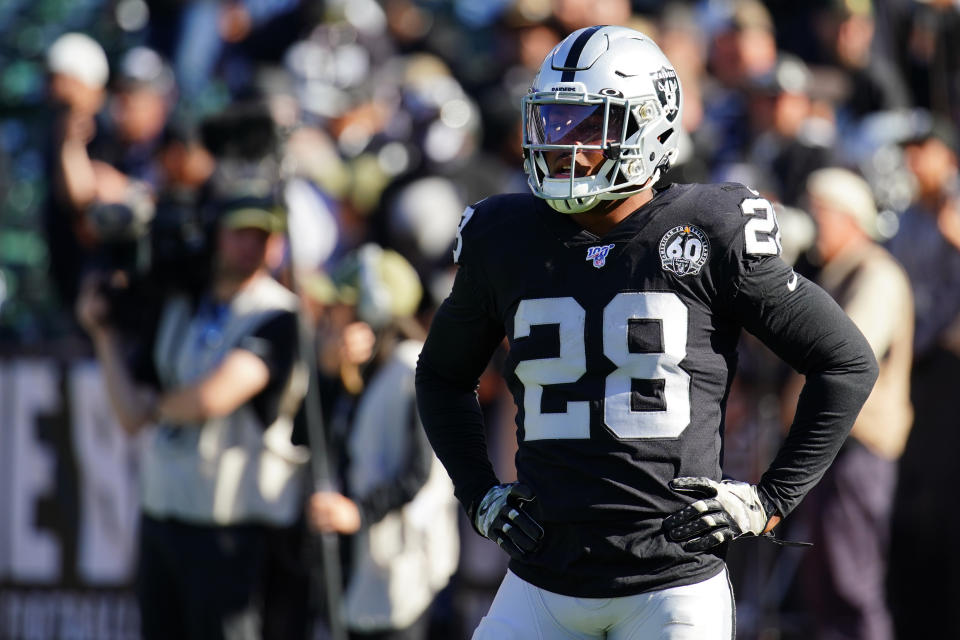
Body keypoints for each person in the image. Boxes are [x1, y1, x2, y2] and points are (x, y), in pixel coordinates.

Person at [415, 25, 878, 639]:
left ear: (648, 127)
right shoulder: (505, 235)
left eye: (586, 127)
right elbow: (442, 374)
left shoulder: (708, 228)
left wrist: (770, 501)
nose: (561, 147)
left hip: (672, 585)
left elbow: (845, 362)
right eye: (551, 124)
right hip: (541, 577)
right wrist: (478, 493)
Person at [75, 196, 311, 640]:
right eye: (240, 233)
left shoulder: (282, 315)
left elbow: (211, 399)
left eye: (263, 237)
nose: (250, 246)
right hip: (162, 517)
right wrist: (103, 334)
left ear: (278, 247)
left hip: (232, 531)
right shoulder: (182, 305)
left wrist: (156, 406)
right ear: (215, 237)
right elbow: (129, 416)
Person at [791, 168, 913, 640]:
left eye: (821, 213)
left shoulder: (875, 273)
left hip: (857, 446)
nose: (813, 223)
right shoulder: (838, 273)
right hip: (832, 446)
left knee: (852, 585)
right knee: (823, 588)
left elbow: (851, 356)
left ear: (847, 217)